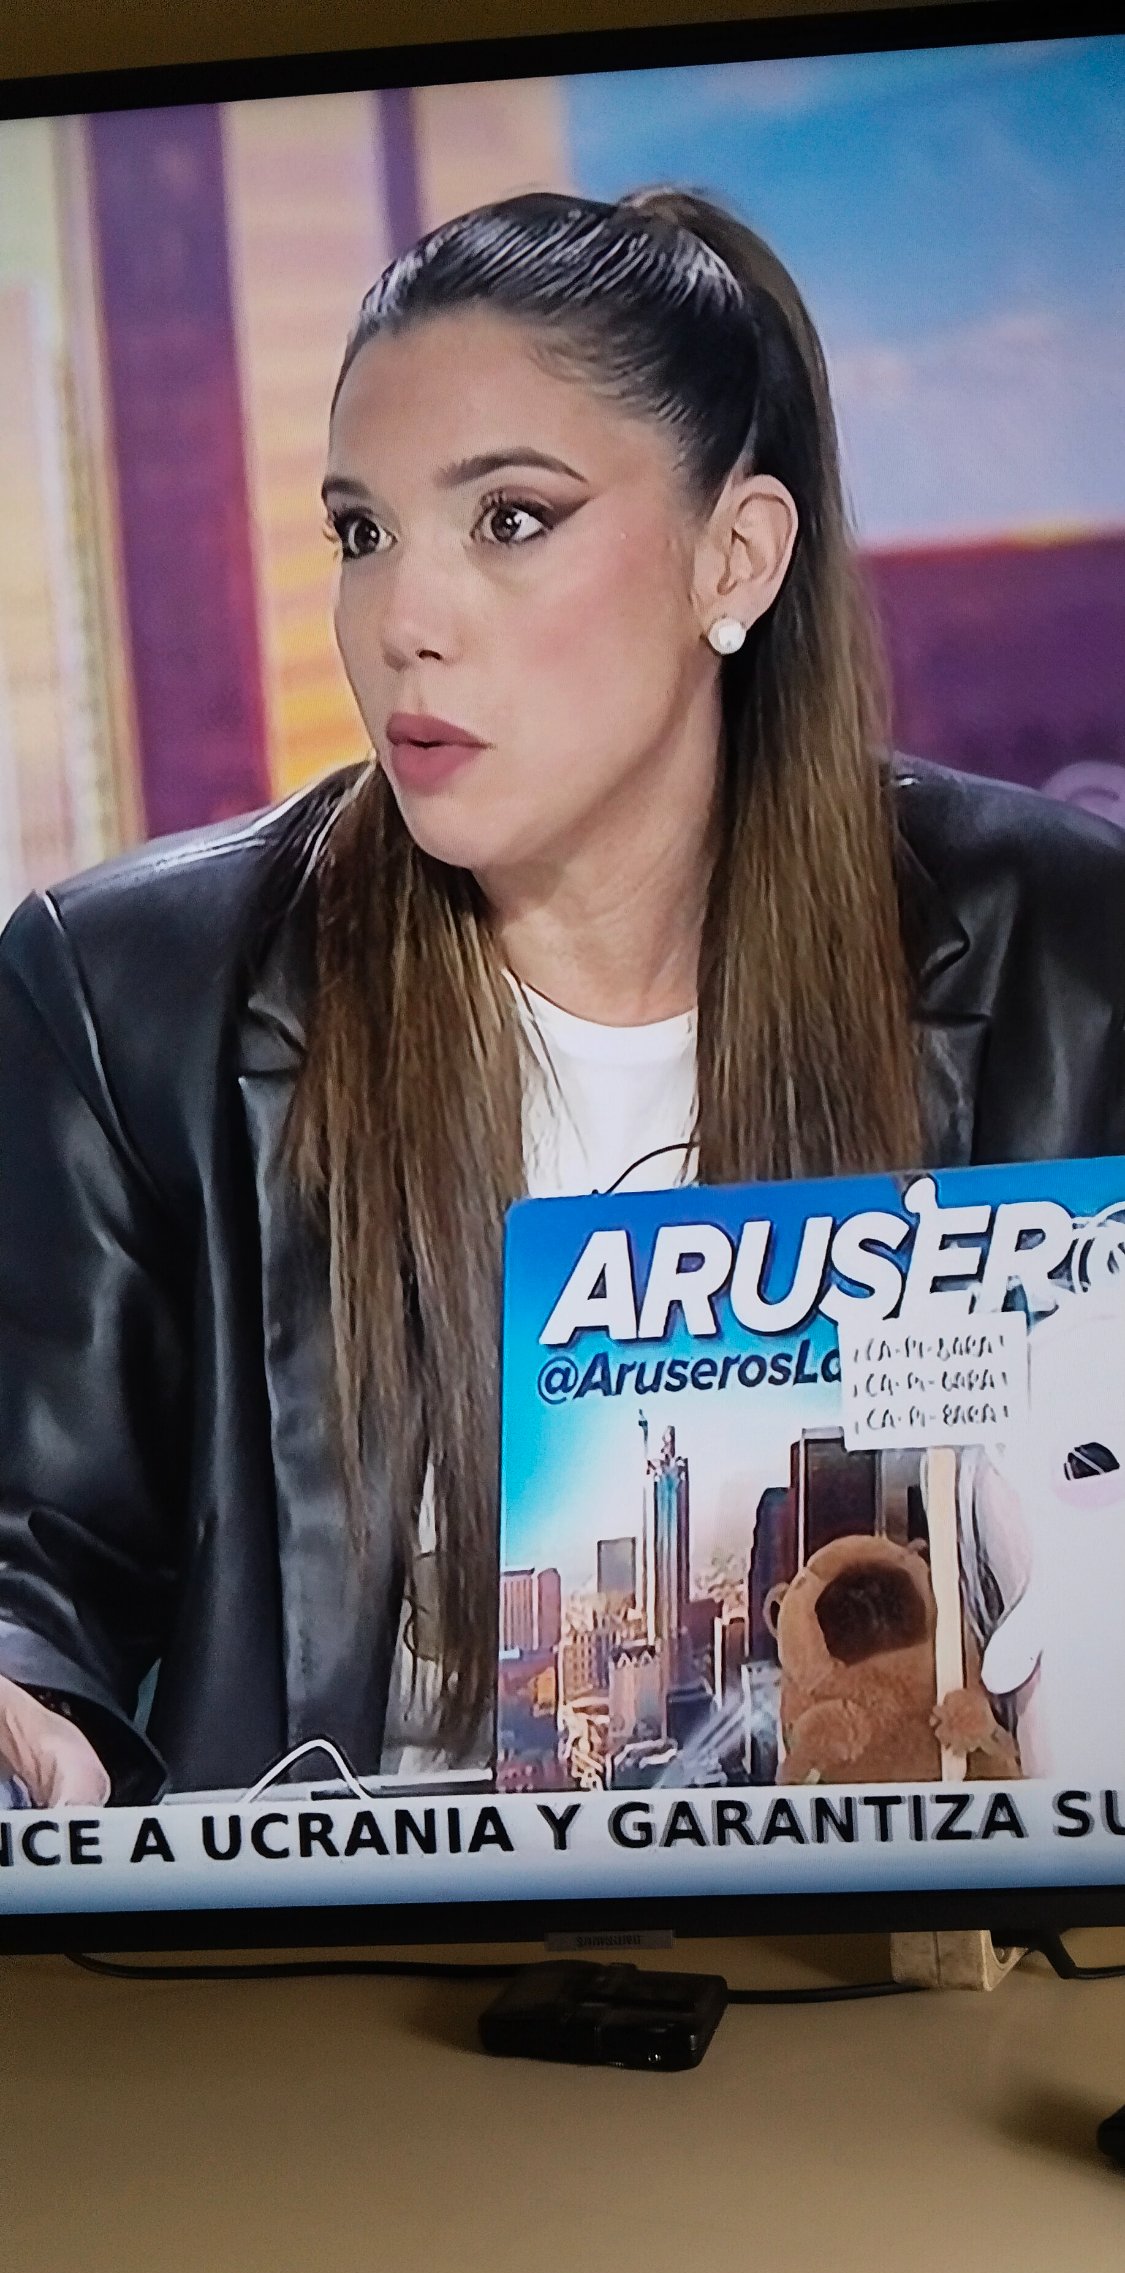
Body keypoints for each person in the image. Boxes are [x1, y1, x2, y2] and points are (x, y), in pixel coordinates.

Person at [0, 186, 1122, 1810]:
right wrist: (22, 1700)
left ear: (734, 554)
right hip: (327, 1959)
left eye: (509, 520)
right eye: (361, 532)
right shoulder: (126, 1001)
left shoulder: (1071, 963)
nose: (402, 622)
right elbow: (31, 1556)